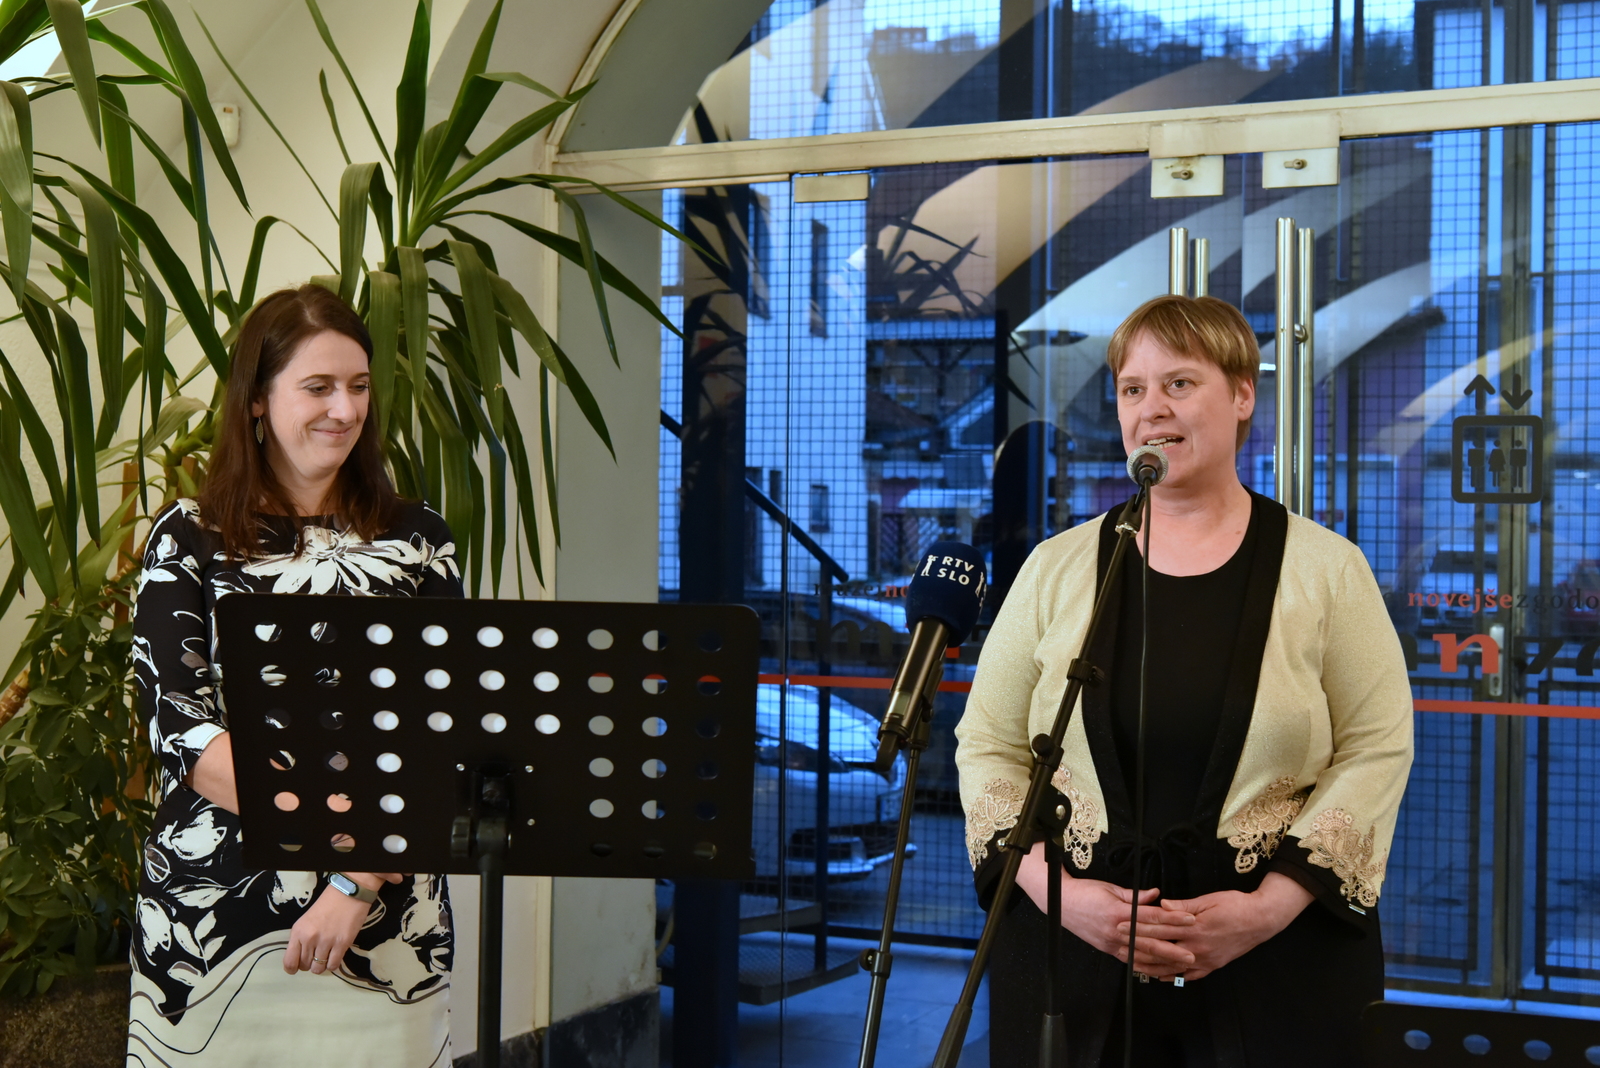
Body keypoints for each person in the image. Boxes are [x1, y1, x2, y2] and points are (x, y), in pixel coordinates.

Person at [956, 294, 1413, 1067]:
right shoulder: (1055, 568)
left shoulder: (1329, 570)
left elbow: (1377, 747)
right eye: (1132, 389)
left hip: (1278, 961)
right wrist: (1059, 892)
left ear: (1242, 396)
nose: (1151, 409)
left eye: (1179, 383)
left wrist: (1266, 910)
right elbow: (987, 744)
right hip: (1074, 953)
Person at [127, 285, 460, 1067]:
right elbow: (182, 731)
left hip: (387, 923)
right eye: (318, 387)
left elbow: (439, 730)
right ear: (257, 399)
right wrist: (345, 834)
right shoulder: (188, 537)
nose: (345, 410)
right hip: (212, 918)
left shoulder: (420, 540)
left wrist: (355, 884)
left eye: (359, 386)